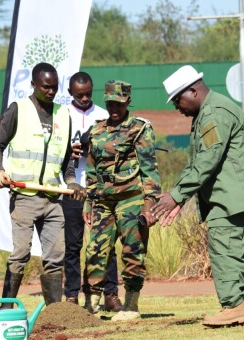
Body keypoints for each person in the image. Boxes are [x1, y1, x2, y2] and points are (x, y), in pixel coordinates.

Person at [151, 65, 244, 327]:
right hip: (230, 198)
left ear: (193, 90)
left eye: (178, 99)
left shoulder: (214, 113)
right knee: (233, 251)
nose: (176, 107)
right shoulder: (207, 113)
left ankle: (234, 307)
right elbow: (196, 165)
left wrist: (178, 195)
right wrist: (177, 197)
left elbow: (207, 160)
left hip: (229, 201)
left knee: (224, 250)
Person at [0, 62, 86, 307]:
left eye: (55, 87)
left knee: (55, 257)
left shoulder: (63, 115)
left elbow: (66, 159)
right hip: (24, 196)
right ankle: (6, 306)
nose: (51, 92)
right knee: (20, 254)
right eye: (46, 87)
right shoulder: (18, 110)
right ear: (33, 85)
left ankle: (54, 312)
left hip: (53, 199)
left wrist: (72, 182)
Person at [82, 80, 161, 321]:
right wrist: (89, 201)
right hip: (104, 201)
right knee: (95, 250)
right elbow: (92, 171)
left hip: (131, 199)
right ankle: (92, 305)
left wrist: (149, 206)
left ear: (128, 101)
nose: (114, 108)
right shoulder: (96, 130)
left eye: (119, 103)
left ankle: (131, 306)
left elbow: (150, 170)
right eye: (110, 103)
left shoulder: (139, 128)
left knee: (132, 251)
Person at [63, 72, 122, 312]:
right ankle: (71, 296)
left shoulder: (104, 116)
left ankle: (111, 294)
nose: (85, 98)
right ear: (70, 94)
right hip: (71, 189)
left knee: (105, 244)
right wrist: (70, 151)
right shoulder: (61, 115)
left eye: (88, 93)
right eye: (79, 95)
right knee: (73, 245)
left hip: (100, 189)